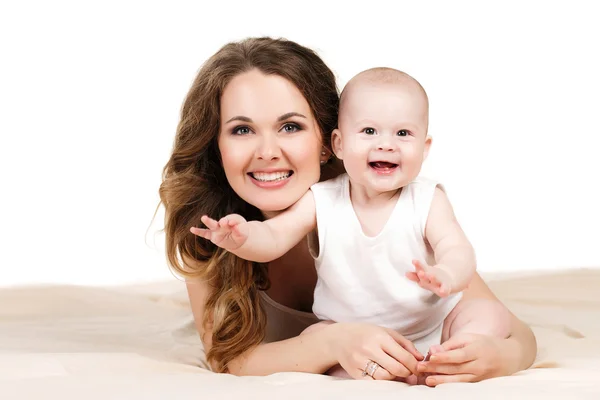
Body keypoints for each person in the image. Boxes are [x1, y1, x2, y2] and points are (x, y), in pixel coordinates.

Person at [158, 36, 537, 386]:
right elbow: (227, 360)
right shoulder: (210, 232)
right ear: (216, 145)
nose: (267, 151)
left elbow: (509, 327)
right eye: (242, 130)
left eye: (290, 126)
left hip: (428, 337)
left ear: (329, 142)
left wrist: (497, 356)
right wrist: (331, 344)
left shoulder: (380, 203)